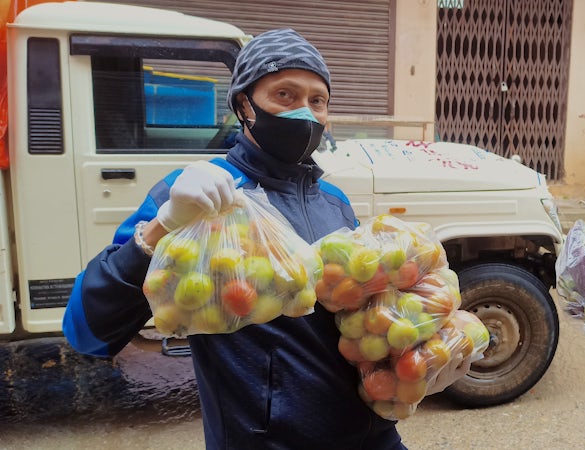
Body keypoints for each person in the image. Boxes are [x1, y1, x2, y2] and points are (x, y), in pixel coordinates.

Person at [62, 29, 467, 449]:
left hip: (374, 435)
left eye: (317, 100)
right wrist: (162, 226)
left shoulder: (334, 201)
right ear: (244, 104)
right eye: (285, 96)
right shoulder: (199, 197)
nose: (305, 114)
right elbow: (86, 331)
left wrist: (423, 354)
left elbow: (359, 322)